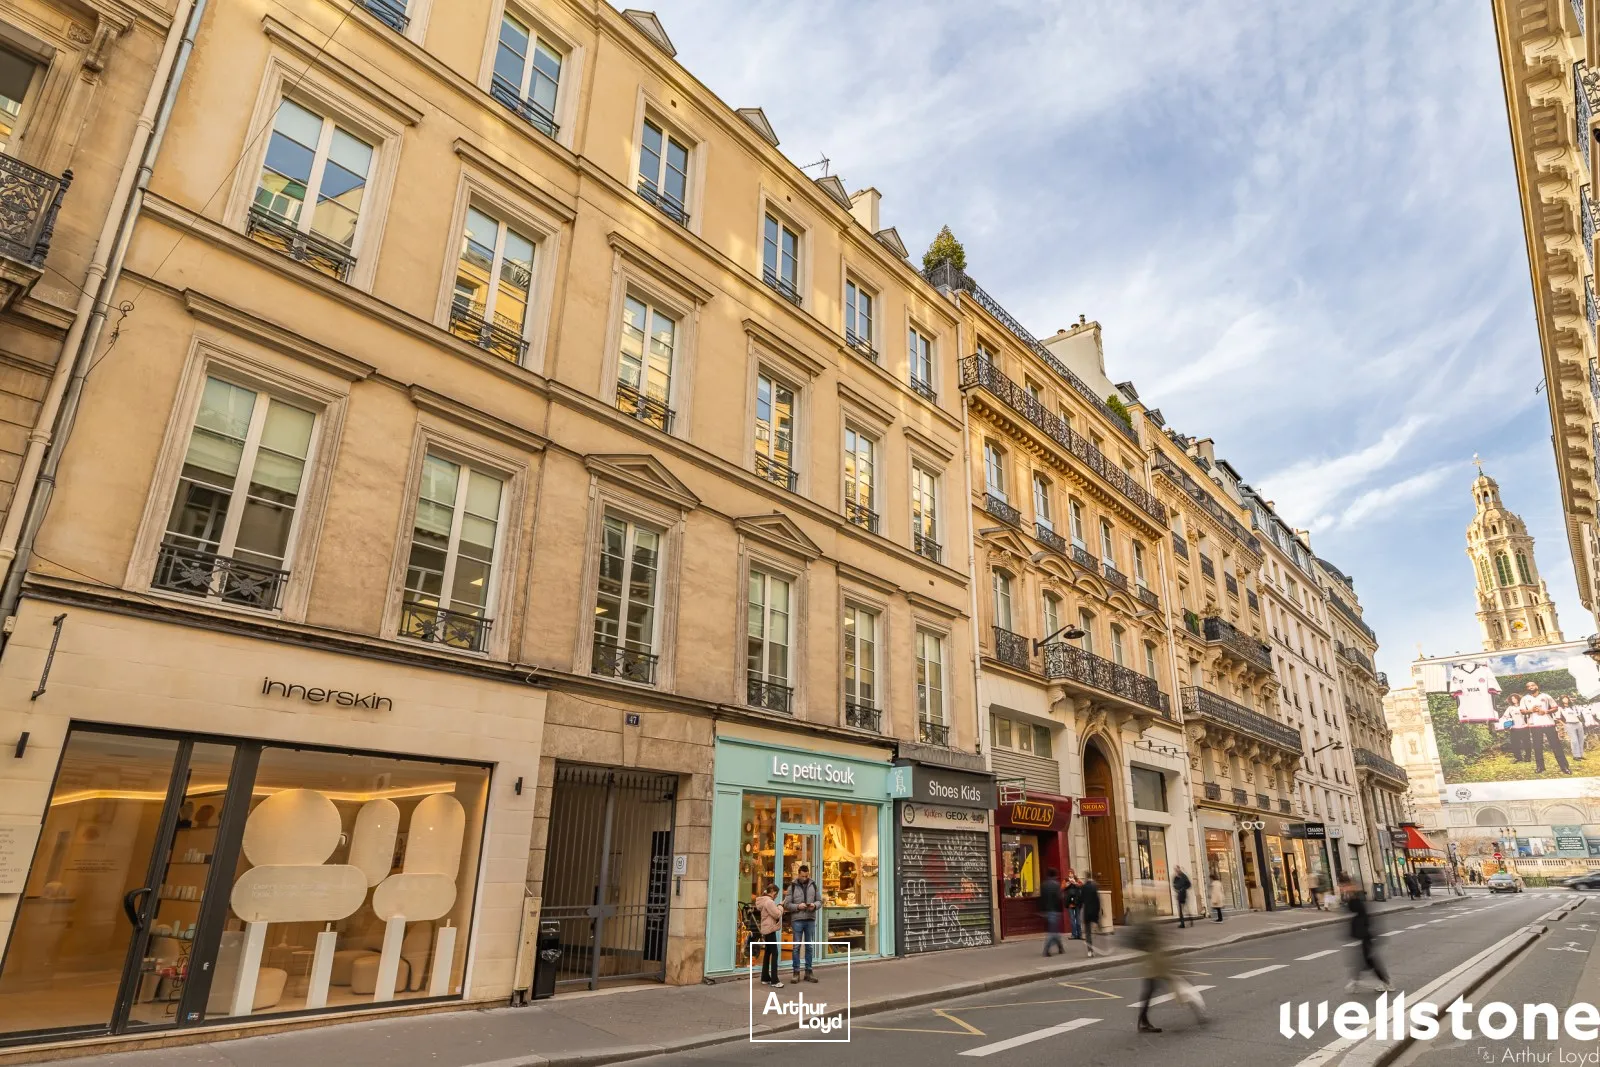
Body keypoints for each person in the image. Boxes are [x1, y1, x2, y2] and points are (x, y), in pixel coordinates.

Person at [1129, 895, 1207, 1034]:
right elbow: (1148, 939)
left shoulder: (1143, 919)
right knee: (1177, 985)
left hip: (1154, 962)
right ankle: (1198, 1014)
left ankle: (1143, 1021)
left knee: (1157, 989)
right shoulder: (1145, 920)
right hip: (1155, 962)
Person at [1340, 874, 1392, 992]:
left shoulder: (1357, 897)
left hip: (1365, 932)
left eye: (1343, 886)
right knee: (1363, 958)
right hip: (1363, 932)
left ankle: (1385, 982)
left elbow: (1359, 912)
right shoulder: (1354, 896)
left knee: (1368, 960)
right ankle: (1356, 982)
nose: (1342, 888)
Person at [1521, 682, 1572, 775]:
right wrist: (1531, 710)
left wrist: (1546, 711)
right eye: (1528, 686)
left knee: (1556, 746)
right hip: (1534, 725)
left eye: (1532, 685)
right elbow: (1522, 711)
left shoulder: (1546, 696)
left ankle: (1564, 767)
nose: (1530, 687)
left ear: (1536, 686)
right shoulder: (1525, 698)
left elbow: (1555, 707)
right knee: (1537, 747)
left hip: (1549, 724)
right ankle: (1540, 767)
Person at [785, 864, 820, 983]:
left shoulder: (814, 885)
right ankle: (796, 973)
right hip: (797, 920)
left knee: (809, 946)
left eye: (806, 876)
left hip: (810, 919)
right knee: (796, 947)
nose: (804, 878)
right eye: (802, 876)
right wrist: (798, 906)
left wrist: (815, 905)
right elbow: (787, 904)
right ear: (798, 874)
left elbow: (820, 901)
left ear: (808, 874)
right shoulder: (792, 886)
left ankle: (809, 972)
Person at [754, 882, 786, 988]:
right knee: (775, 953)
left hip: (766, 929)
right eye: (776, 894)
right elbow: (777, 914)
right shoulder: (769, 902)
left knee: (767, 953)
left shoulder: (763, 900)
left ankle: (765, 977)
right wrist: (781, 906)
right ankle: (774, 980)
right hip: (770, 930)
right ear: (772, 892)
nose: (776, 896)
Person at [1040, 867, 1065, 956]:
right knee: (1052, 932)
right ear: (1055, 875)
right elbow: (1059, 898)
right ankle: (1046, 950)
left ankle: (1060, 947)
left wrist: (1042, 911)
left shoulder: (1044, 885)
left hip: (1047, 910)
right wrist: (1061, 910)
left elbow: (1041, 899)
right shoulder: (1056, 885)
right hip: (1054, 910)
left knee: (1054, 930)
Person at [1080, 871, 1104, 956]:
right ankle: (1101, 946)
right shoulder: (1095, 886)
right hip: (1094, 911)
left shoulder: (1083, 887)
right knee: (1098, 928)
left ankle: (1090, 951)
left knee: (1088, 932)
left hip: (1087, 911)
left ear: (1086, 877)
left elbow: (1081, 900)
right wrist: (1099, 911)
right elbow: (1098, 900)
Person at [1560, 695, 1587, 761]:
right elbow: (1558, 718)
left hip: (1578, 723)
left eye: (1566, 698)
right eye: (1564, 698)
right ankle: (1576, 756)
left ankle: (1581, 755)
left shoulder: (1573, 707)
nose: (1565, 699)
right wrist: (1564, 724)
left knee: (1581, 739)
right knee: (1574, 740)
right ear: (1561, 700)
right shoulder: (1560, 708)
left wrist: (1580, 722)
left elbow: (1578, 715)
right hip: (1569, 724)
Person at [1065, 870, 1084, 939]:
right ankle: (1074, 934)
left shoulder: (1077, 880)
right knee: (1072, 919)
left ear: (1073, 874)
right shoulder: (1066, 880)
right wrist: (1068, 883)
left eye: (1071, 873)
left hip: (1077, 902)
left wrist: (1075, 883)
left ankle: (1080, 934)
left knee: (1078, 919)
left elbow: (1082, 885)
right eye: (1069, 873)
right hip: (1070, 903)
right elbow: (1062, 887)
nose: (1070, 874)